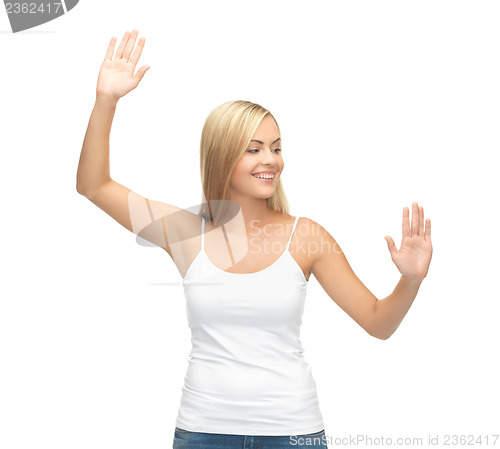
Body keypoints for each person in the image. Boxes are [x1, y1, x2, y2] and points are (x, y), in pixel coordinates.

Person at [76, 30, 434, 449]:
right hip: (203, 432)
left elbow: (377, 322)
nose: (271, 160)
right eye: (254, 149)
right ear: (223, 156)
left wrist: (410, 281)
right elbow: (94, 186)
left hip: (293, 432)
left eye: (276, 148)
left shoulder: (307, 237)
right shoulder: (184, 231)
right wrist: (106, 101)